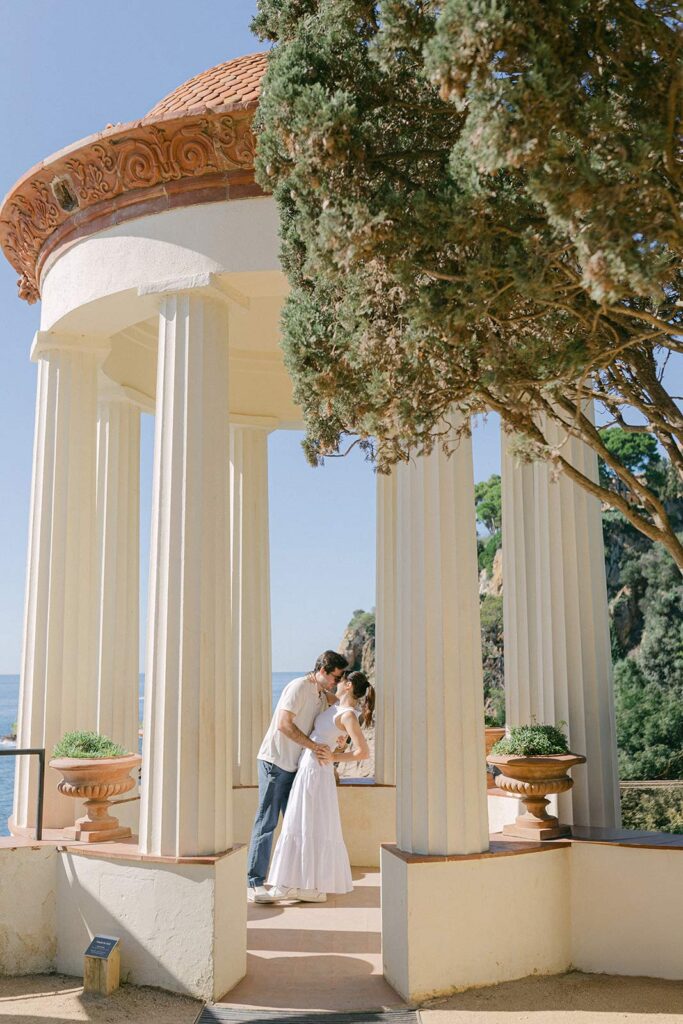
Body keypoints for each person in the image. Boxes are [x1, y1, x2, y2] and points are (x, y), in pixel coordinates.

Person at [247, 650, 348, 903]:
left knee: (296, 824)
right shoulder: (299, 687)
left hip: (296, 767)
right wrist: (314, 748)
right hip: (275, 762)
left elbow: (342, 706)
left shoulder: (320, 695)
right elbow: (283, 724)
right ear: (323, 670)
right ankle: (255, 882)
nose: (336, 681)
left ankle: (293, 882)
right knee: (267, 821)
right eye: (335, 676)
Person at [266, 670, 375, 903]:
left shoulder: (347, 715)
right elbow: (321, 694)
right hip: (309, 768)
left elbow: (363, 752)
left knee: (302, 821)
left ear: (346, 685)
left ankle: (292, 885)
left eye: (340, 680)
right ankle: (306, 886)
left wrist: (334, 758)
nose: (335, 683)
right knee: (304, 822)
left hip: (317, 771)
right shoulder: (337, 708)